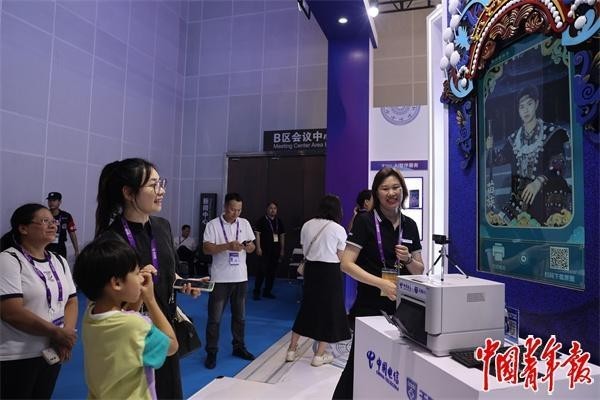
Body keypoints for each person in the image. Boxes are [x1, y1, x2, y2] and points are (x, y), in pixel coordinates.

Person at [95, 158, 202, 400]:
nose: (161, 191)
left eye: (161, 183)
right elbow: (108, 301)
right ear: (128, 193)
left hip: (166, 326)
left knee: (168, 391)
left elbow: (166, 270)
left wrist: (182, 283)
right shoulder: (111, 241)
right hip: (133, 334)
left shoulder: (162, 226)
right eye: (153, 185)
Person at [333, 167, 424, 399]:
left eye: (395, 187)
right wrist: (380, 284)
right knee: (358, 366)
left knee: (393, 371)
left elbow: (420, 269)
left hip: (403, 309)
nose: (391, 193)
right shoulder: (364, 221)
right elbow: (346, 264)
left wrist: (408, 259)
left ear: (403, 191)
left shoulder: (410, 225)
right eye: (385, 188)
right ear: (376, 193)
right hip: (370, 307)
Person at [73, 238, 178, 399]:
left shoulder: (91, 313)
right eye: (136, 273)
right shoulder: (135, 326)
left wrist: (139, 295)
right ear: (116, 283)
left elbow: (124, 318)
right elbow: (171, 345)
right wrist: (150, 300)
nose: (141, 278)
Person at [0, 203, 78, 399]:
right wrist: (56, 332)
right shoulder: (8, 260)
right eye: (44, 221)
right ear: (23, 228)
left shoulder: (59, 261)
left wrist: (66, 335)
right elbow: (11, 312)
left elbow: (71, 301)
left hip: (53, 349)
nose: (53, 225)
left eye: (53, 221)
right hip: (18, 355)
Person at [486, 85, 572, 227]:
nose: (525, 110)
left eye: (529, 104)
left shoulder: (551, 133)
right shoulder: (514, 139)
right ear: (518, 110)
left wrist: (538, 182)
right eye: (522, 107)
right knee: (500, 224)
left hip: (549, 197)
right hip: (519, 202)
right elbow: (496, 160)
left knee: (553, 224)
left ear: (536, 104)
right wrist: (490, 149)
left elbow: (558, 164)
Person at [286, 195, 350, 367]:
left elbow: (305, 248)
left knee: (306, 308)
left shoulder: (307, 225)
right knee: (329, 311)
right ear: (337, 210)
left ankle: (291, 349)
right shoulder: (338, 229)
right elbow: (341, 257)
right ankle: (319, 355)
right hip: (330, 272)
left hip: (311, 270)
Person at [202, 192, 256, 369]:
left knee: (240, 317)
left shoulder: (244, 223)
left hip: (241, 277)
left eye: (239, 210)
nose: (236, 213)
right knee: (214, 318)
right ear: (225, 207)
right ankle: (211, 352)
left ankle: (239, 347)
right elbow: (206, 248)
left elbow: (252, 246)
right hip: (220, 279)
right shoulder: (213, 225)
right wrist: (227, 246)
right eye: (233, 209)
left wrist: (248, 247)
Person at [253, 201, 286, 300]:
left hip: (275, 250)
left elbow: (282, 236)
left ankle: (267, 291)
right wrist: (258, 247)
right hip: (264, 250)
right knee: (261, 271)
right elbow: (257, 235)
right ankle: (256, 292)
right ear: (267, 209)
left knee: (272, 272)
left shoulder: (279, 221)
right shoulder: (261, 220)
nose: (273, 210)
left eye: (275, 208)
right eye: (271, 208)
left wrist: (282, 249)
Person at [45, 192, 79, 258]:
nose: (51, 203)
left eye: (54, 200)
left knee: (61, 263)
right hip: (46, 246)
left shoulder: (66, 216)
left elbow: (72, 233)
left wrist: (76, 250)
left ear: (60, 202)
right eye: (49, 200)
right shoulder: (44, 215)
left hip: (60, 247)